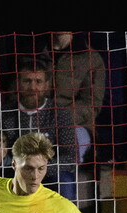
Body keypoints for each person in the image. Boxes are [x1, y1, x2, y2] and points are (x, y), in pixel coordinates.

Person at [0, 57, 80, 202]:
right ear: (18, 84)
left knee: (64, 181)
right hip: (14, 172)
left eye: (38, 82)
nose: (32, 87)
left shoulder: (60, 114)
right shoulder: (3, 114)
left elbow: (71, 157)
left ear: (47, 85)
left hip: (50, 172)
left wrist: (39, 168)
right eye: (27, 81)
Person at [37, 31, 106, 165]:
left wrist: (59, 118)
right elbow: (16, 92)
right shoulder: (34, 53)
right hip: (33, 118)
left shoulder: (90, 58)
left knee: (74, 145)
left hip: (75, 124)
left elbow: (91, 104)